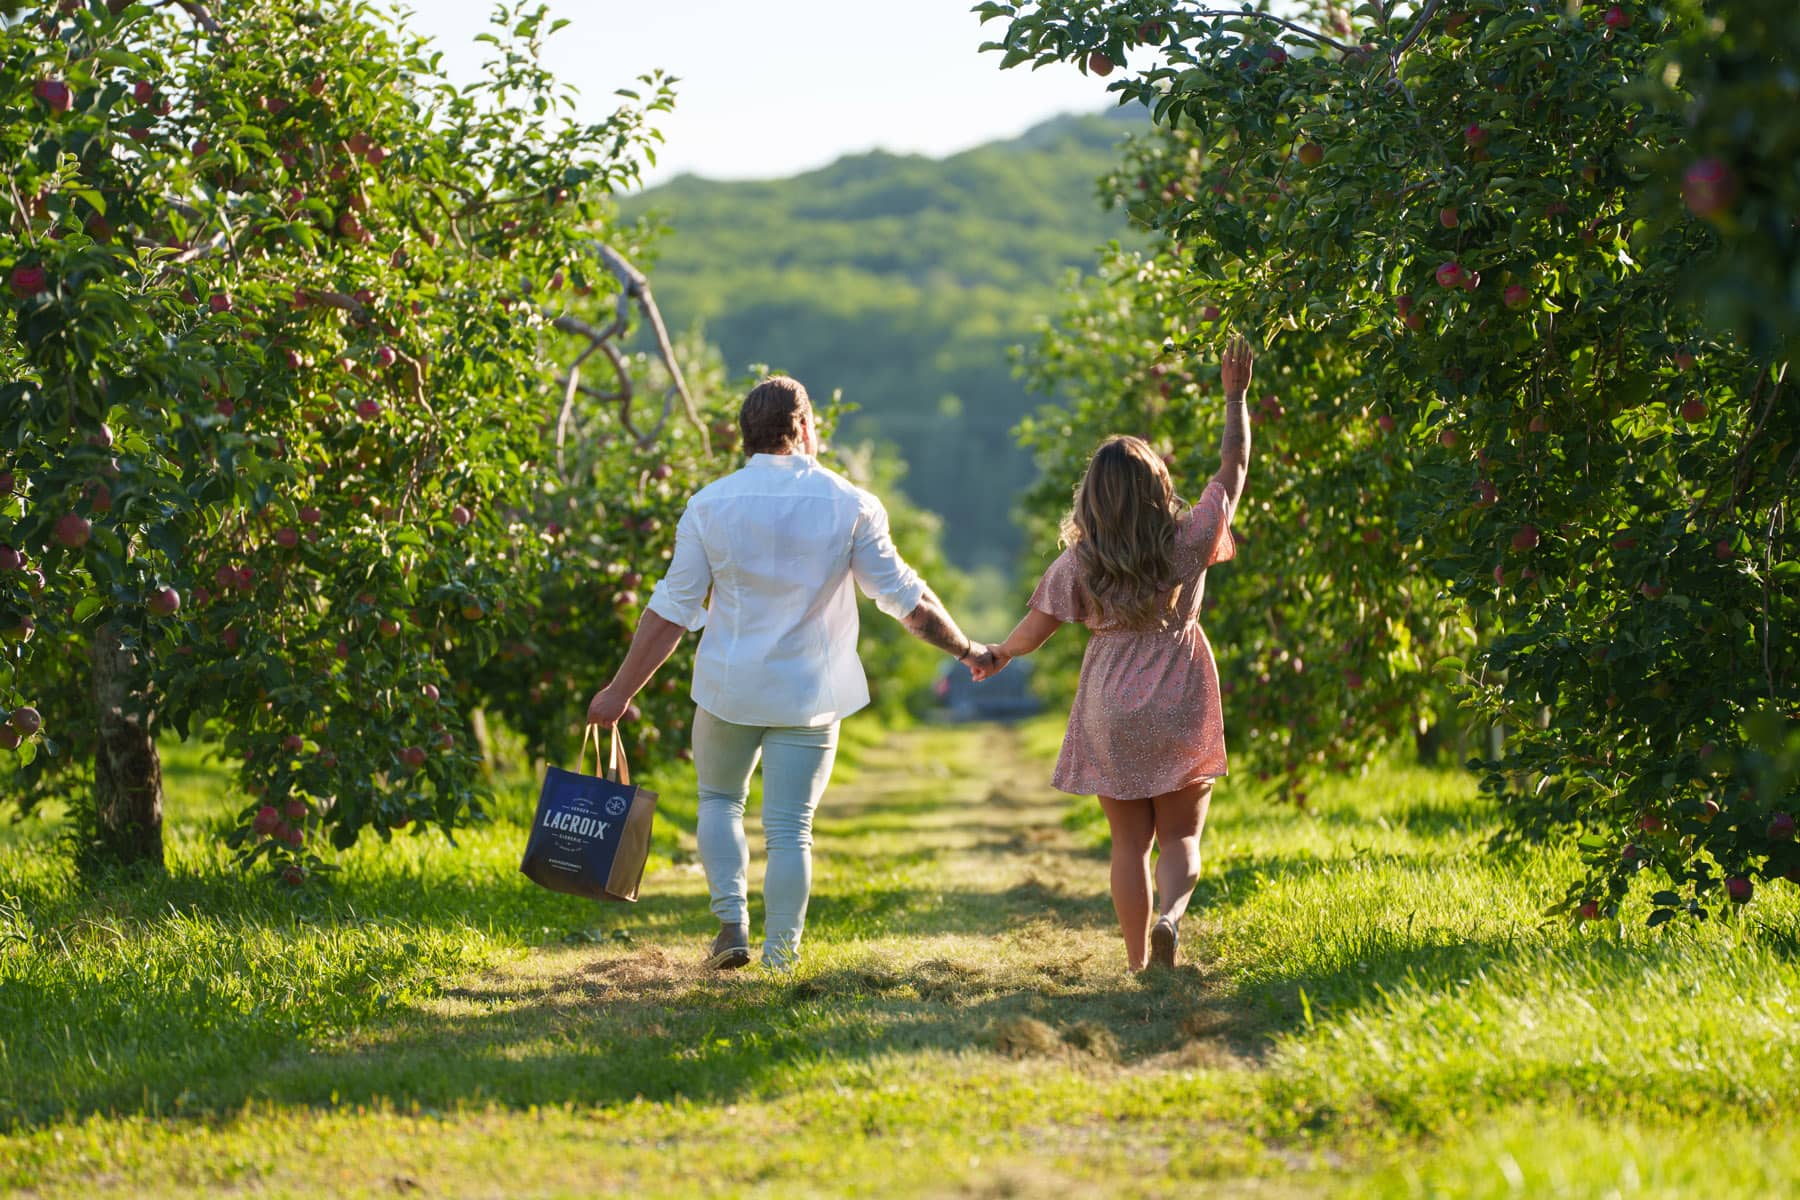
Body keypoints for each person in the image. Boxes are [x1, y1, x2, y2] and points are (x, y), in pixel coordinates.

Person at [586, 375, 991, 971]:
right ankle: (781, 957)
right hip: (810, 694)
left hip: (729, 688)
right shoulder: (851, 503)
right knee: (791, 829)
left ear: (746, 437)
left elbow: (673, 609)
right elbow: (908, 601)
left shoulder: (709, 505)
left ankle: (732, 925)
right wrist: (968, 651)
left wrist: (619, 692)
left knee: (719, 802)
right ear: (803, 427)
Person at [972, 336, 1255, 971]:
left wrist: (995, 655)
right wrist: (1233, 396)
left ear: (1092, 499)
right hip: (1180, 691)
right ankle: (1172, 918)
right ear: (1159, 486)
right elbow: (1233, 467)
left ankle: (1135, 964)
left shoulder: (1082, 561)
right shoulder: (1189, 540)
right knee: (1182, 835)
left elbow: (1032, 631)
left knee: (1128, 843)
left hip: (1110, 704)